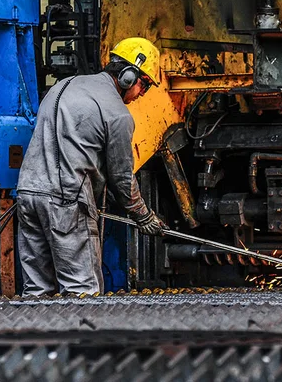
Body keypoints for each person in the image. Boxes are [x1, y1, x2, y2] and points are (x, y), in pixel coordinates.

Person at [16, 37, 168, 296]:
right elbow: (122, 179)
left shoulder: (63, 86)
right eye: (145, 85)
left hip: (28, 194)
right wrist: (143, 216)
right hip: (66, 201)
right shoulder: (118, 115)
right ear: (128, 76)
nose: (142, 93)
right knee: (82, 292)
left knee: (37, 291)